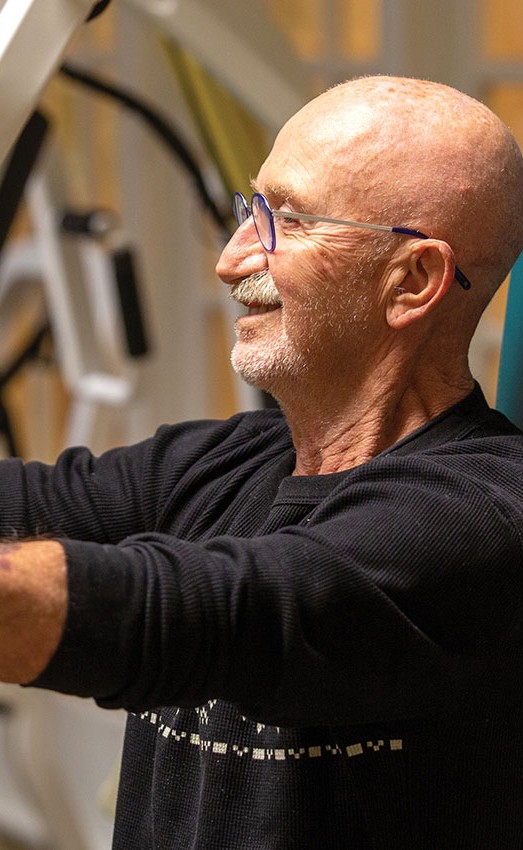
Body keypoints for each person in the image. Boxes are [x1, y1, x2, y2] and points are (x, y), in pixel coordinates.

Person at [1, 75, 523, 849]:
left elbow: (209, 610)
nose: (232, 257)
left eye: (289, 220)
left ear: (411, 281)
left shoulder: (483, 515)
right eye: (254, 210)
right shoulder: (215, 464)